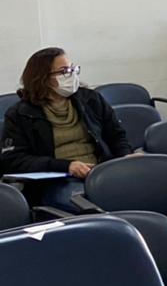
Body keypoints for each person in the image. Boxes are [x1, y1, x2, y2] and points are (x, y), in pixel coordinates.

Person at [0, 48, 132, 210]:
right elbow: (14, 160)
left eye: (73, 69)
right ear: (43, 78)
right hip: (57, 181)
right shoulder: (20, 114)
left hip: (100, 173)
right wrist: (66, 165)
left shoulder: (90, 99)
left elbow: (116, 135)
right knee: (95, 205)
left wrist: (126, 157)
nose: (72, 75)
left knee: (138, 192)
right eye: (64, 71)